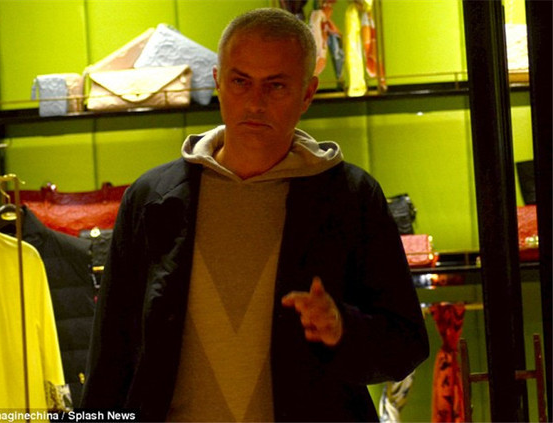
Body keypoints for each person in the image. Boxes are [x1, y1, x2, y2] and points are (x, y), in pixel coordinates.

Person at [81, 7, 429, 422]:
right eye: (240, 81)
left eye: (276, 86)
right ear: (218, 83)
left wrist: (342, 328)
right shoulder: (152, 199)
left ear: (307, 94)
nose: (255, 102)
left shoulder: (350, 197)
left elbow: (405, 344)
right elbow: (111, 355)